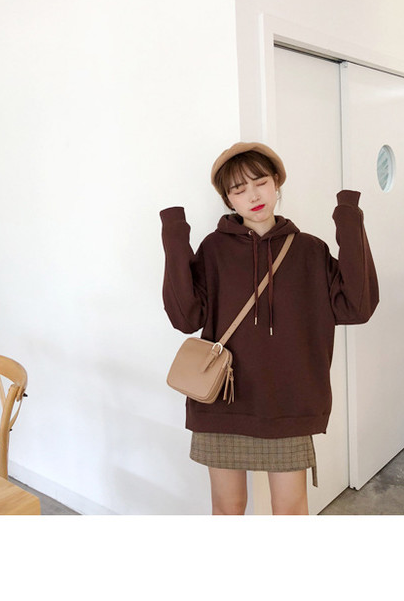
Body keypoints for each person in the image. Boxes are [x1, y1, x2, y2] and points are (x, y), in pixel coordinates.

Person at [160, 141, 379, 515]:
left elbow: (358, 306)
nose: (253, 196)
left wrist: (348, 216)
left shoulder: (310, 251)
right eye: (238, 189)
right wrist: (174, 235)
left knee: (290, 510)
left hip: (287, 405)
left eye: (260, 182)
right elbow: (185, 318)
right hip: (221, 403)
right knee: (227, 509)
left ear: (277, 182)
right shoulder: (213, 250)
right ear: (229, 201)